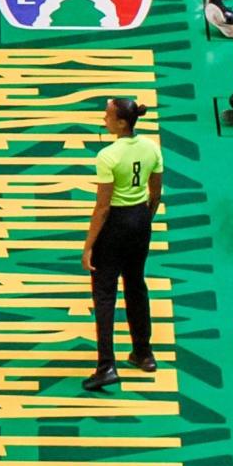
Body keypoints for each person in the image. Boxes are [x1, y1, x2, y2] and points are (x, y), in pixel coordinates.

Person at [83, 96, 162, 390]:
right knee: (136, 284)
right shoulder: (152, 147)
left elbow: (102, 207)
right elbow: (156, 192)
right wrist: (143, 219)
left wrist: (89, 245)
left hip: (115, 224)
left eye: (107, 115)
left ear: (120, 123)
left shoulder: (108, 156)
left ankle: (106, 366)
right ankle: (144, 353)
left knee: (104, 295)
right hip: (140, 220)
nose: (104, 119)